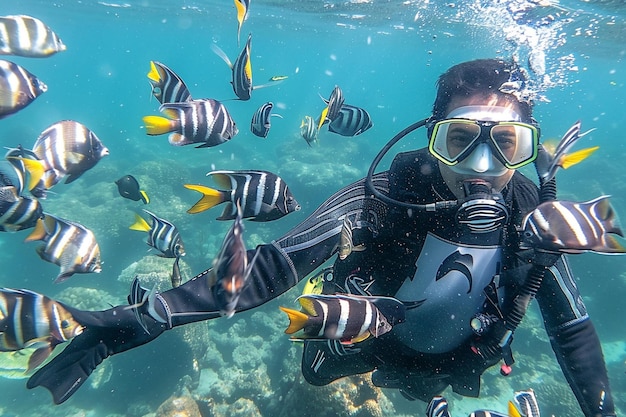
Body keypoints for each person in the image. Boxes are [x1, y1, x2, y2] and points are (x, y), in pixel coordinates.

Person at [26, 59, 615, 416]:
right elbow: (272, 268)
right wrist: (138, 322)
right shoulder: (378, 200)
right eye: (460, 140)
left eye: (506, 145)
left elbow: (572, 329)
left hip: (467, 357)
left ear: (528, 148)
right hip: (358, 344)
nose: (481, 167)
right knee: (314, 373)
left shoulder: (534, 219)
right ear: (431, 138)